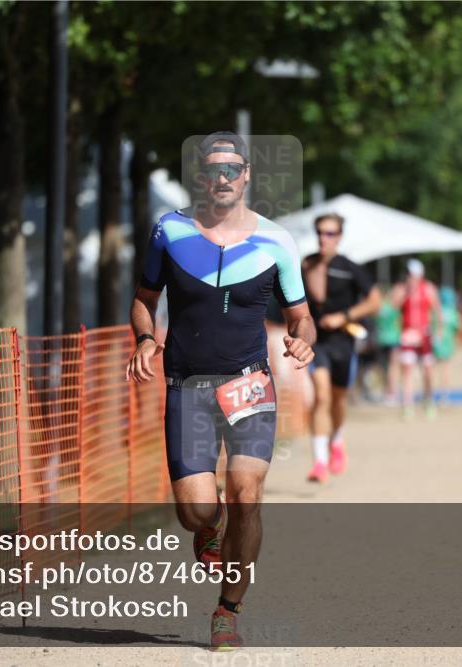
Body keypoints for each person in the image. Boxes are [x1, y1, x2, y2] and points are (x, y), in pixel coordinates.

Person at [126, 131, 316, 651]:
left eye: (234, 168)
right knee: (196, 511)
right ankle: (209, 527)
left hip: (250, 383)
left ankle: (227, 610)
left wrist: (302, 342)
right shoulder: (169, 231)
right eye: (215, 169)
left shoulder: (277, 240)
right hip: (187, 385)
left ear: (247, 174)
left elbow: (302, 318)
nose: (224, 177)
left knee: (247, 495)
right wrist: (145, 338)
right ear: (202, 177)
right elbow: (143, 298)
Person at [301, 214, 381, 483]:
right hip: (317, 344)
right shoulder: (307, 265)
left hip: (344, 343)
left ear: (340, 236)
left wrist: (344, 316)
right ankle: (320, 462)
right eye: (321, 232)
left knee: (338, 398)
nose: (325, 238)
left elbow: (375, 301)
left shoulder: (349, 268)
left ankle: (337, 439)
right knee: (321, 397)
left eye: (331, 233)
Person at [391, 259, 443, 420]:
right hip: (407, 335)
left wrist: (438, 332)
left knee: (428, 371)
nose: (410, 278)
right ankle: (408, 405)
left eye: (413, 275)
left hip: (425, 335)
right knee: (407, 371)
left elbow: (438, 312)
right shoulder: (401, 289)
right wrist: (404, 293)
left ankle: (429, 401)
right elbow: (392, 307)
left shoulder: (429, 289)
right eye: (408, 275)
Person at [432, 286, 462, 404]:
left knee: (432, 368)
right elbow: (457, 327)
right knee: (445, 369)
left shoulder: (435, 311)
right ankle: (445, 395)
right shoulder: (453, 312)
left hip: (435, 342)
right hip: (448, 342)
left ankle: (430, 392)